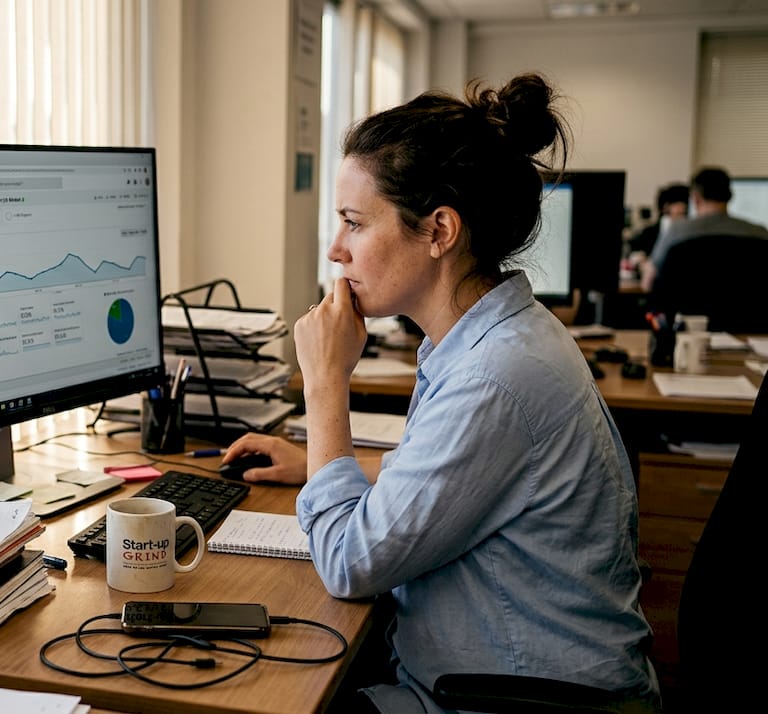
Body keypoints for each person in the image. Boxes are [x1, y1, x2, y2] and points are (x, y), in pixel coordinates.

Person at [224, 73, 661, 714]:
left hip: (517, 702)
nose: (334, 250)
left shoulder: (495, 377)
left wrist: (324, 386)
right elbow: (465, 473)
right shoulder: (498, 335)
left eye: (353, 223)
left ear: (438, 231)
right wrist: (327, 465)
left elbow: (347, 562)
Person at [640, 166, 768, 291]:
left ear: (695, 198)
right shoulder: (760, 233)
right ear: (730, 196)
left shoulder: (678, 231)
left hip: (687, 311)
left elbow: (648, 283)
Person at [627, 182, 689, 259]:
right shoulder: (648, 234)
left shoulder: (691, 234)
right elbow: (634, 255)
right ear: (665, 207)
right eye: (681, 213)